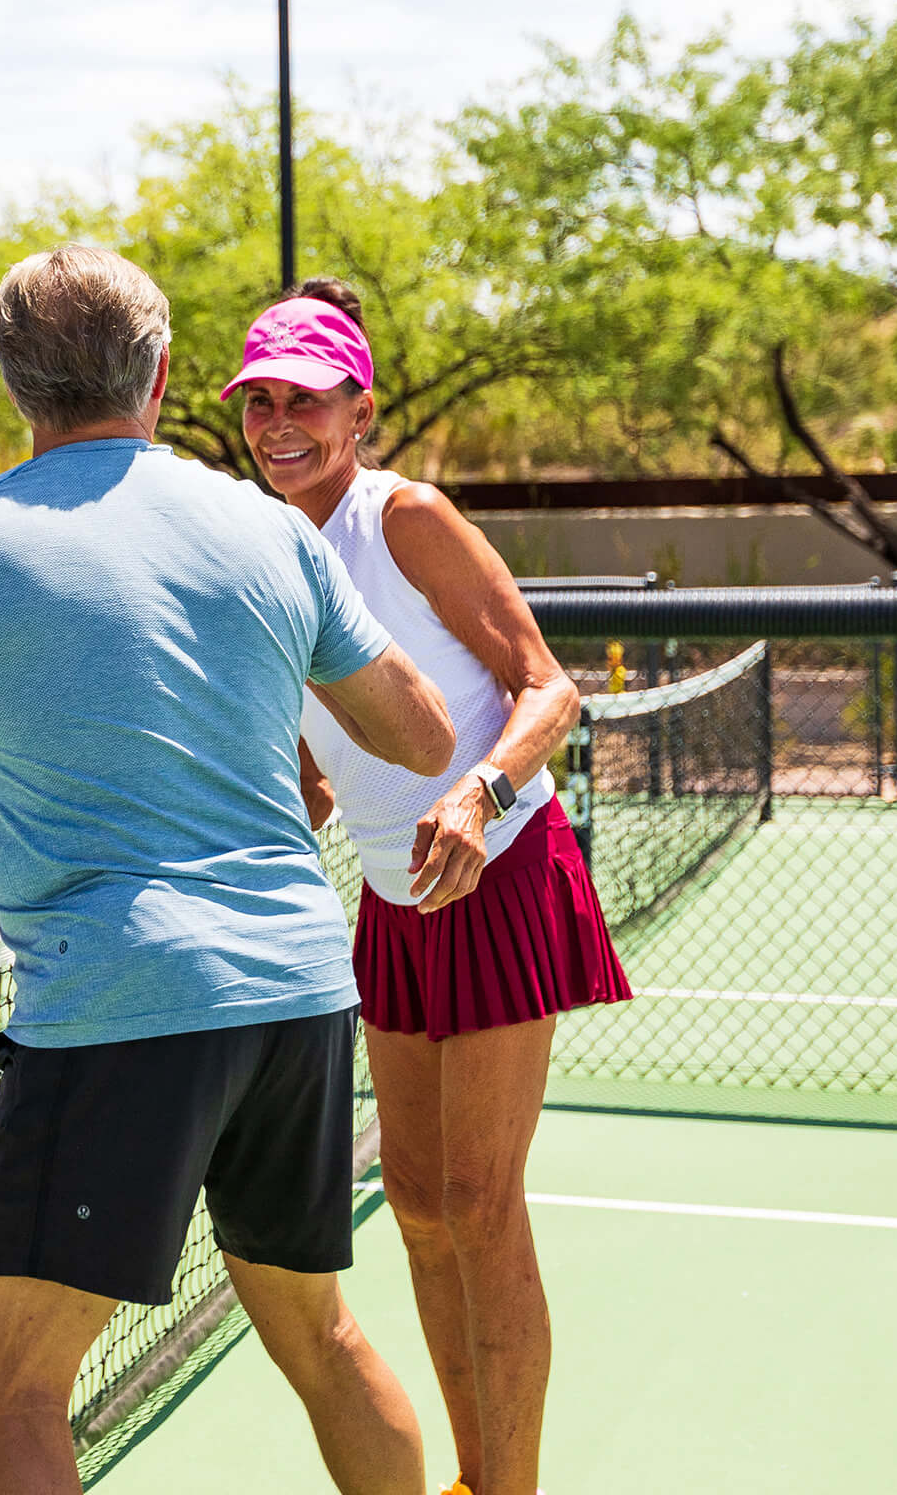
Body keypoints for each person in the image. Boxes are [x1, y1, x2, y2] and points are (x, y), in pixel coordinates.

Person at [0, 245, 457, 1495]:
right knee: (324, 1338)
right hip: (295, 993)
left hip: (115, 1011)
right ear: (165, 374)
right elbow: (425, 736)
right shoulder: (269, 529)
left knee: (7, 1386)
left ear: (17, 386)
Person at [232, 279, 632, 1495]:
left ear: (362, 413)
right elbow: (321, 754)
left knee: (478, 1197)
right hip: (390, 894)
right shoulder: (263, 550)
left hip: (501, 873)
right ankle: (470, 1476)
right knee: (410, 1201)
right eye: (259, 402)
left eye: (307, 399)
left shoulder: (406, 518)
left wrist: (480, 797)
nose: (279, 424)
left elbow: (546, 688)